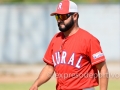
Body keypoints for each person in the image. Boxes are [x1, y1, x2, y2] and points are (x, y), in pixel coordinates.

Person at [29, 0, 109, 90]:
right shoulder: (56, 39)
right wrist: (36, 83)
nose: (59, 20)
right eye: (57, 17)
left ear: (75, 16)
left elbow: (103, 69)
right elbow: (49, 67)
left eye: (63, 16)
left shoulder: (88, 39)